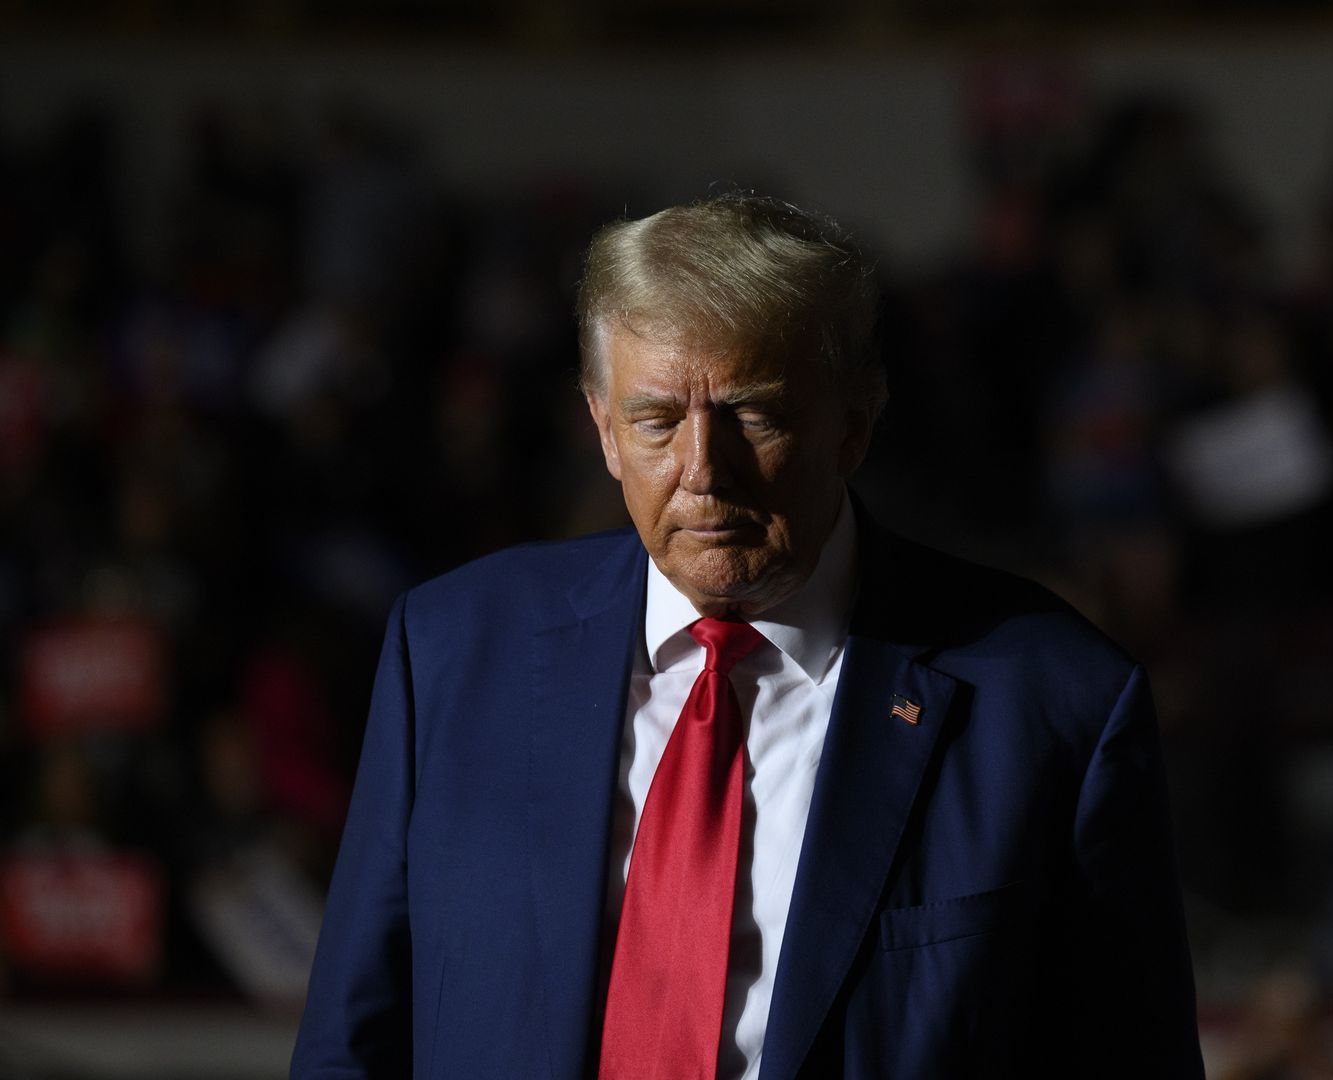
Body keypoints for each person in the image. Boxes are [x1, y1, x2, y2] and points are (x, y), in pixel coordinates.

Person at [290, 193, 1202, 1079]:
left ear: (853, 423)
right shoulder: (452, 652)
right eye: (655, 421)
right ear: (602, 430)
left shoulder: (1054, 701)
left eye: (753, 415)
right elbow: (352, 1044)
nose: (702, 472)